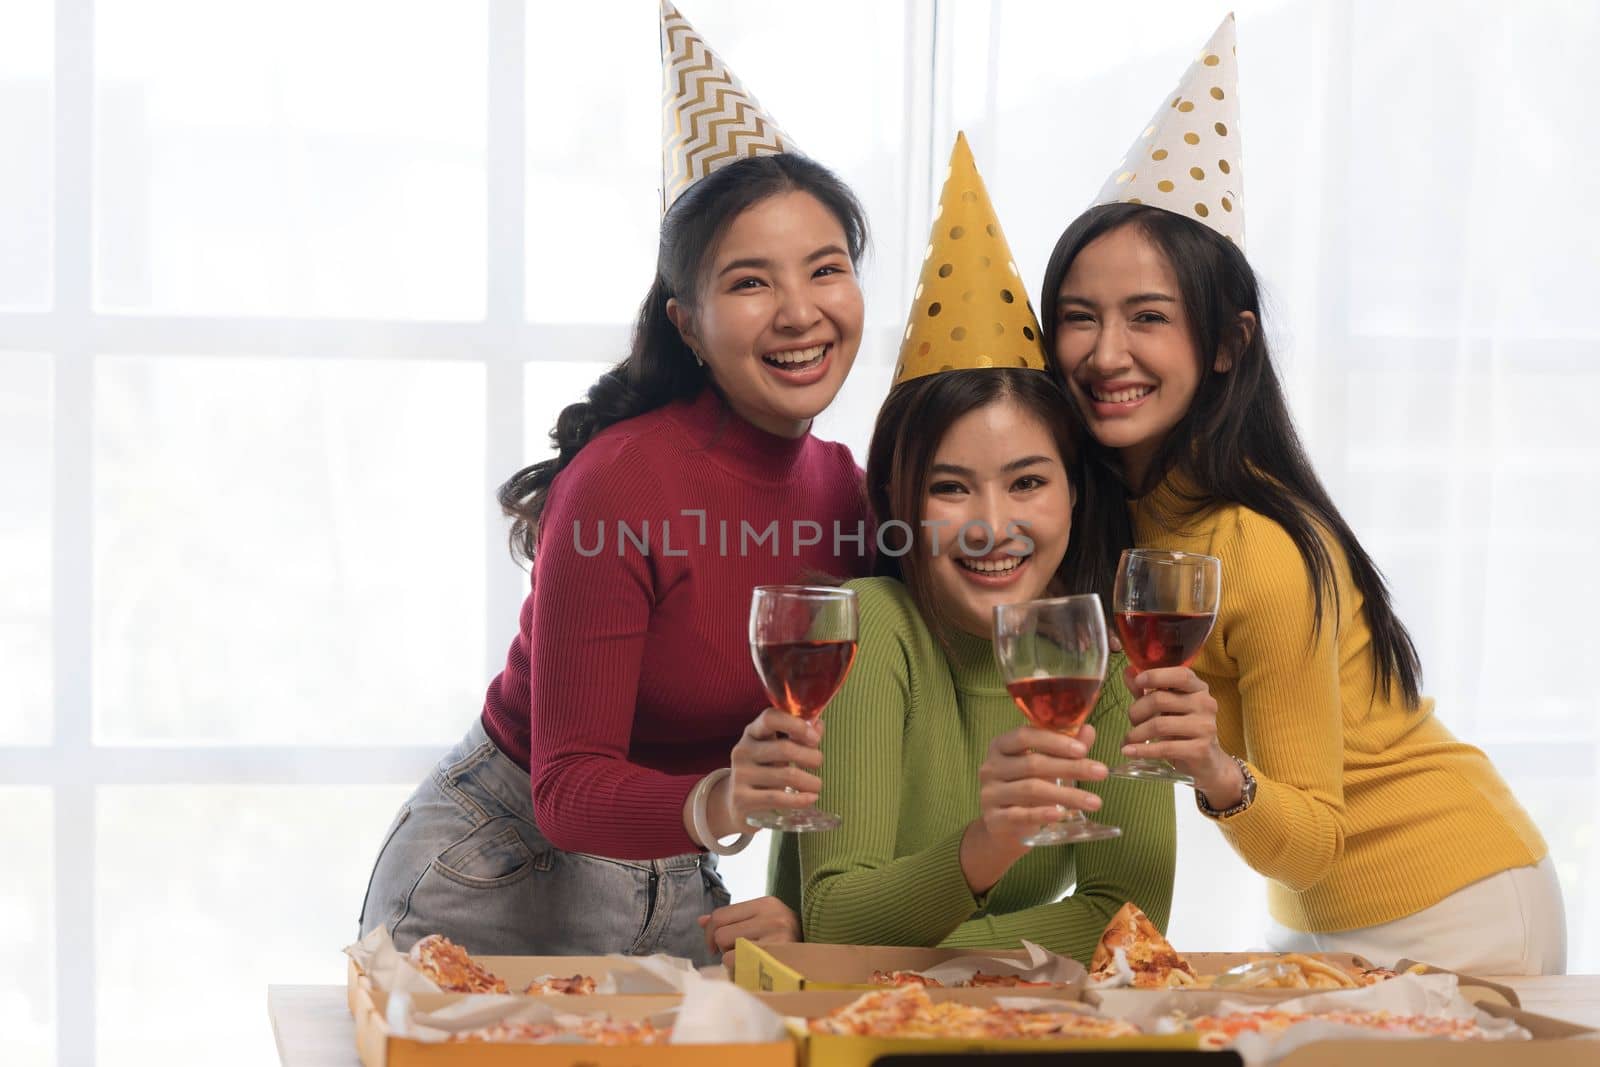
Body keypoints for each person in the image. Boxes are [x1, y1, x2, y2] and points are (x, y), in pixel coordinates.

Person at [1037, 16, 1564, 974]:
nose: (1105, 352)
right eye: (1080, 319)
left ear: (1228, 343)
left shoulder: (1255, 544)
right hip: (1316, 913)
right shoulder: (1109, 511)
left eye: (1147, 318)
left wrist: (1213, 770)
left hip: (1456, 901)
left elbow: (1314, 832)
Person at [358, 5, 874, 965]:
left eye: (826, 269)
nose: (801, 311)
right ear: (689, 322)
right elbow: (568, 788)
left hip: (675, 860)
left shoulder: (853, 498)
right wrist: (725, 797)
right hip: (504, 866)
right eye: (752, 282)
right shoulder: (622, 484)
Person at [765, 135, 1204, 965]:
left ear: (1076, 491)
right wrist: (989, 843)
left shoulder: (1102, 654)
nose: (992, 525)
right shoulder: (868, 629)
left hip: (1012, 1026)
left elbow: (1129, 920)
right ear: (898, 501)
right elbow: (834, 914)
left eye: (1029, 483)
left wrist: (926, 937)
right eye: (951, 486)